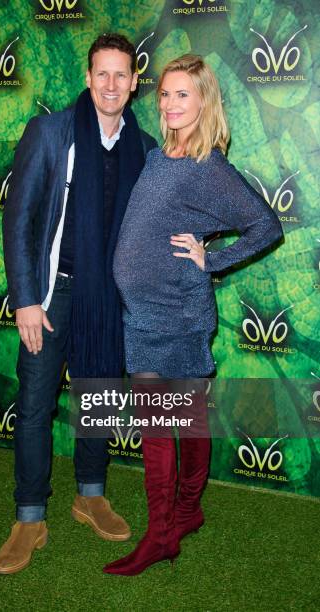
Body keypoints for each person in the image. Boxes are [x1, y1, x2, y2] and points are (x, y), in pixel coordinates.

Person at [103, 54, 283, 576]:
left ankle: (166, 529)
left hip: (178, 316)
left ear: (204, 100)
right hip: (143, 313)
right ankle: (184, 514)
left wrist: (212, 259)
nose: (170, 103)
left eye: (183, 94)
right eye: (164, 93)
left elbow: (265, 226)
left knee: (169, 424)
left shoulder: (208, 166)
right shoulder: (164, 155)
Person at [0, 33, 157, 575]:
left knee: (100, 398)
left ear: (135, 83)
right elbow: (17, 221)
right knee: (37, 403)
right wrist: (24, 300)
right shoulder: (51, 132)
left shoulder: (144, 146)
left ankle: (90, 495)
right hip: (51, 294)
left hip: (107, 298)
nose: (111, 85)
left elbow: (158, 220)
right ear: (88, 77)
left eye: (121, 75)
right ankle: (29, 516)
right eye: (101, 74)